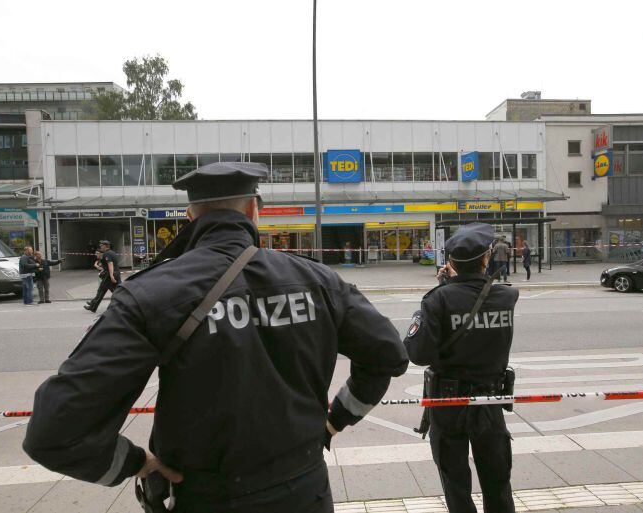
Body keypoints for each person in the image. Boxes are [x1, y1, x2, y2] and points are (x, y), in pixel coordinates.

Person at [23, 161, 408, 513]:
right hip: (305, 491)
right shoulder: (319, 281)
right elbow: (388, 355)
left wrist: (136, 463)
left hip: (207, 497)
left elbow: (54, 431)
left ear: (190, 216)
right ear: (256, 210)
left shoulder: (151, 293)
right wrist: (334, 421)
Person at [404, 223, 519, 513]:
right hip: (490, 402)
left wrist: (441, 293)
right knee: (498, 484)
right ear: (486, 258)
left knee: (456, 486)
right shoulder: (506, 296)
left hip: (448, 404)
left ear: (450, 262)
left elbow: (418, 353)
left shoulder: (437, 300)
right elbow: (473, 300)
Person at [84, 240, 121, 313]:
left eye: (101, 245)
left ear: (105, 246)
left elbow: (110, 264)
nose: (100, 247)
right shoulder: (113, 253)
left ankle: (93, 307)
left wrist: (111, 276)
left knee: (101, 291)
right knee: (119, 291)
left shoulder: (106, 254)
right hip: (116, 274)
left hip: (109, 275)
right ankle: (124, 304)